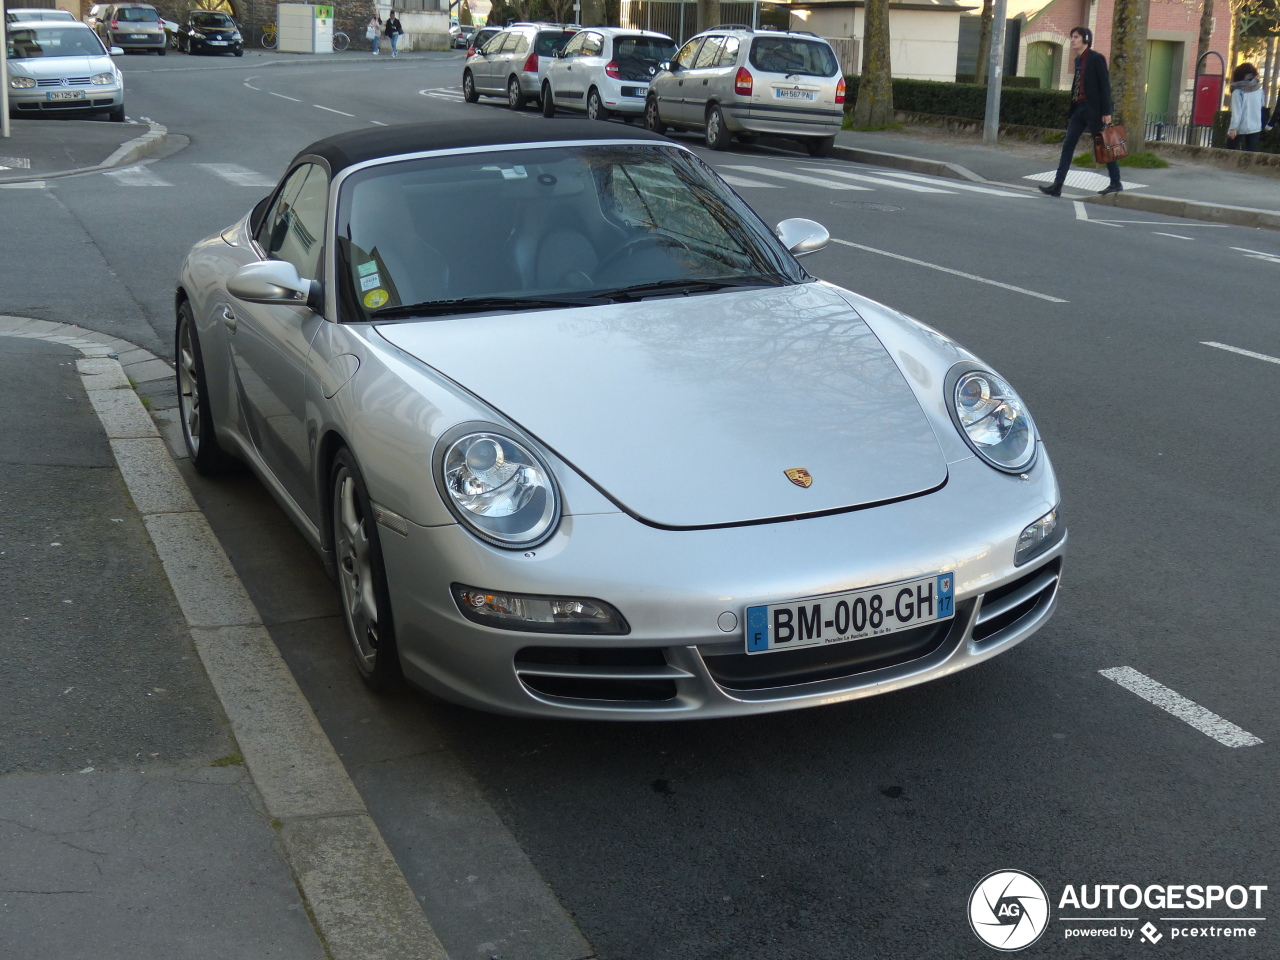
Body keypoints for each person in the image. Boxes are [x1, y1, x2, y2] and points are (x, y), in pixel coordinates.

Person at [1039, 26, 1122, 197]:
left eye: (1075, 37)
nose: (1073, 40)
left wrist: (1107, 112)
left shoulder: (1096, 58)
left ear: (1085, 39)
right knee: (1068, 146)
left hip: (1095, 111)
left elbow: (1105, 86)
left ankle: (1116, 182)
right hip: (1079, 109)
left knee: (1104, 145)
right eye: (1072, 37)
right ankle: (1057, 186)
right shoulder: (1078, 60)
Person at [1227, 63, 1264, 152]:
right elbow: (1262, 106)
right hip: (1256, 127)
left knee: (1229, 154)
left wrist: (1233, 128)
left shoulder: (1238, 91)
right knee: (1251, 156)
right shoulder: (1259, 90)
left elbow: (1236, 112)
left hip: (1239, 128)